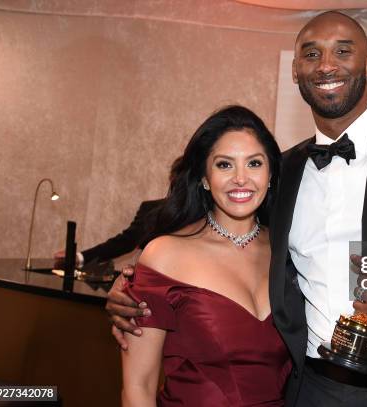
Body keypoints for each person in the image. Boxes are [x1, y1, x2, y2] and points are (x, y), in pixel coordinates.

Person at [107, 11, 367, 407]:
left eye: (343, 50)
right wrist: (135, 289)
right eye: (311, 54)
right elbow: (226, 247)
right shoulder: (280, 172)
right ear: (296, 71)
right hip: (309, 391)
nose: (327, 65)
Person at [120, 105, 289, 406]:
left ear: (271, 174)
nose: (241, 178)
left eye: (254, 163)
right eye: (225, 165)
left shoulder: (288, 254)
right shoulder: (164, 255)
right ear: (205, 178)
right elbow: (138, 386)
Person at [52, 157, 183, 269]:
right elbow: (124, 242)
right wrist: (80, 257)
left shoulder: (202, 218)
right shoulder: (151, 210)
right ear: (172, 179)